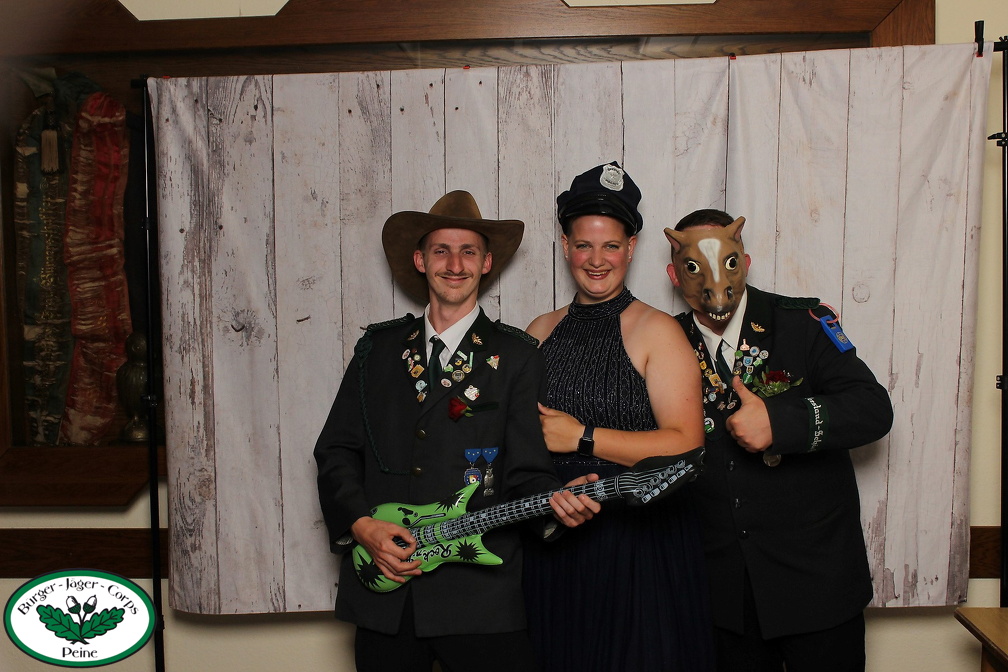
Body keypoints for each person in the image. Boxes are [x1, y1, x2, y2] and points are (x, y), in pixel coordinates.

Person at [314, 190, 601, 672]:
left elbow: (526, 471)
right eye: (441, 250)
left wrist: (556, 501)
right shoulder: (376, 351)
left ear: (486, 263)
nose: (454, 264)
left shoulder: (517, 356)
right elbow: (336, 451)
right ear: (420, 260)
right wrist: (362, 526)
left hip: (479, 597)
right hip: (385, 590)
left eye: (468, 251)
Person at [664, 208, 894, 672]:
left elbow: (873, 408)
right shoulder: (664, 340)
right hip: (722, 596)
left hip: (817, 585)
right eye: (694, 268)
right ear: (675, 275)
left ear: (745, 263)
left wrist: (781, 423)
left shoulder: (802, 322)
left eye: (728, 263)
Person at [521, 161, 715, 671]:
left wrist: (581, 437)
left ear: (631, 248)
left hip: (637, 545)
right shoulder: (539, 330)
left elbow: (688, 445)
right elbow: (517, 443)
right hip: (556, 537)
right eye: (584, 245)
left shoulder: (657, 331)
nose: (596, 260)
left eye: (611, 245)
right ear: (566, 246)